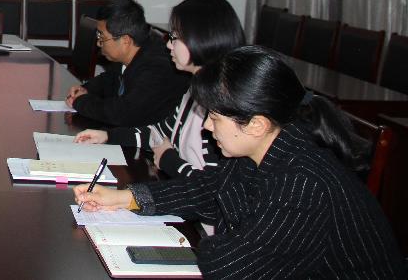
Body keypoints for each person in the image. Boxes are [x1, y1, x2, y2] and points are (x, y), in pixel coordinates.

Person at [74, 46, 405, 279]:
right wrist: (125, 198)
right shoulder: (265, 148)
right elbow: (208, 189)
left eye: (215, 118)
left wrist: (195, 241)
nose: (206, 126)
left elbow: (231, 267)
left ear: (257, 124)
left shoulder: (303, 185)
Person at [75, 0, 245, 177]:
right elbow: (160, 133)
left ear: (202, 40)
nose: (169, 45)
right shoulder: (195, 89)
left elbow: (212, 186)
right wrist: (108, 136)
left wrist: (167, 159)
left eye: (175, 37)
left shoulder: (222, 105)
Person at [65, 0, 189, 127]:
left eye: (102, 36)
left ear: (125, 40)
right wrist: (85, 89)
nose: (98, 43)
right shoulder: (132, 52)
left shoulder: (158, 68)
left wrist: (81, 102)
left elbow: (124, 113)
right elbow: (109, 79)